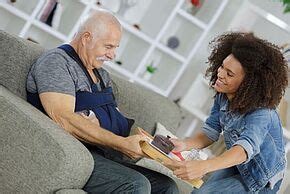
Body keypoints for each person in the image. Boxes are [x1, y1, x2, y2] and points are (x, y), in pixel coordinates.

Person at [26, 9, 178, 194]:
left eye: (115, 48)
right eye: (108, 47)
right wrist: (120, 141)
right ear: (86, 38)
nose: (113, 55)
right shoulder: (57, 63)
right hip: (72, 151)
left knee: (166, 186)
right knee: (136, 185)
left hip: (101, 152)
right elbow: (64, 118)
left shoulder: (102, 75)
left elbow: (115, 120)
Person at [166, 32, 288, 193]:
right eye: (222, 66)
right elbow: (210, 132)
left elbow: (244, 149)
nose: (220, 74)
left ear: (248, 83)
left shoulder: (262, 112)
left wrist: (205, 166)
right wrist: (184, 144)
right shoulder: (223, 95)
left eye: (229, 74)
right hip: (237, 165)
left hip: (262, 178)